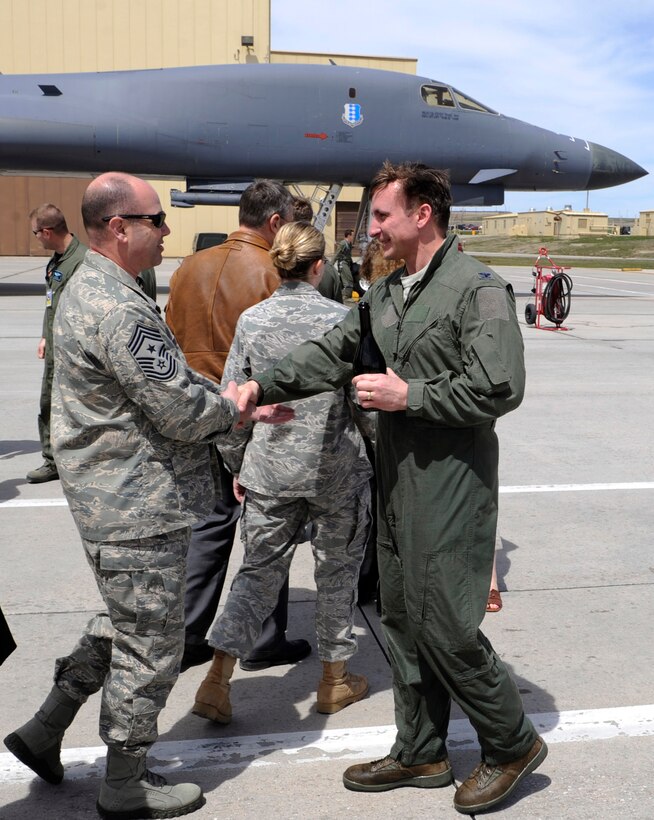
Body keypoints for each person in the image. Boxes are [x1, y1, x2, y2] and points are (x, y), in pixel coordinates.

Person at [237, 162, 547, 815]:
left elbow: (501, 385)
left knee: (447, 623)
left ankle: (512, 741)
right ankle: (422, 751)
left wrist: (412, 395)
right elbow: (330, 353)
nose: (370, 227)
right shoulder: (386, 296)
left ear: (422, 215)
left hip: (452, 480)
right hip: (398, 479)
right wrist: (261, 385)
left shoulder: (475, 288)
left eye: (381, 215)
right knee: (402, 615)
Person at [3, 172, 291, 820]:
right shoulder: (115, 304)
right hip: (136, 506)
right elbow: (179, 409)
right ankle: (125, 782)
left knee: (124, 623)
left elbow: (166, 376)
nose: (166, 230)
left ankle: (46, 729)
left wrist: (222, 401)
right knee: (152, 647)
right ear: (118, 228)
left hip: (115, 500)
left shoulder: (101, 288)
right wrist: (239, 409)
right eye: (156, 219)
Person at [193, 221, 374, 723]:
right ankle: (334, 681)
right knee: (337, 575)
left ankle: (217, 680)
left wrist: (237, 462)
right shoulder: (345, 319)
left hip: (270, 472)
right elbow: (364, 404)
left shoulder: (253, 320)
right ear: (319, 266)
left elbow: (234, 399)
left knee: (255, 576)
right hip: (335, 471)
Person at [165, 180, 311, 674]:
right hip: (250, 416)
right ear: (275, 223)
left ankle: (189, 633)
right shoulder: (272, 272)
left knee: (208, 526)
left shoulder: (189, 267)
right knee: (267, 529)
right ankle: (264, 636)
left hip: (193, 415)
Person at [26, 205, 87, 484]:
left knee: (77, 406)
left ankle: (77, 461)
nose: (36, 238)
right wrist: (44, 335)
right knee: (48, 402)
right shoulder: (58, 261)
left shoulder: (81, 262)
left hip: (72, 350)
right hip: (54, 345)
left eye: (36, 233)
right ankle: (52, 460)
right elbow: (51, 301)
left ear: (47, 232)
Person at [331, 228, 355, 300]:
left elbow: (348, 254)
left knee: (346, 280)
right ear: (348, 236)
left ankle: (343, 295)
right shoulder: (343, 243)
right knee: (348, 280)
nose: (353, 237)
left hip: (347, 263)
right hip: (343, 264)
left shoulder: (349, 244)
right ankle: (344, 297)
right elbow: (336, 254)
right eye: (352, 235)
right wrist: (331, 265)